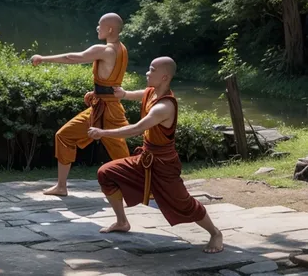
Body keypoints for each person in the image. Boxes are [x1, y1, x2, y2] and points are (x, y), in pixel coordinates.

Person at [88, 56, 224, 254]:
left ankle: (215, 232)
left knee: (183, 203)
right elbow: (139, 94)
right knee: (106, 173)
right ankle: (122, 221)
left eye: (152, 70)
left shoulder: (164, 106)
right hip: (145, 158)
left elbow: (135, 129)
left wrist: (103, 133)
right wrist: (123, 93)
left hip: (164, 164)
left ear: (164, 77)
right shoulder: (152, 92)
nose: (147, 72)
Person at [31, 12, 129, 196]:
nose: (97, 28)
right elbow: (111, 80)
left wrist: (43, 58)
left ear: (110, 29)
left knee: (120, 152)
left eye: (100, 25)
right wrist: (97, 92)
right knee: (65, 136)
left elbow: (72, 58)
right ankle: (61, 186)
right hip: (104, 105)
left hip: (107, 110)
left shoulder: (105, 50)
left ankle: (148, 187)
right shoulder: (122, 49)